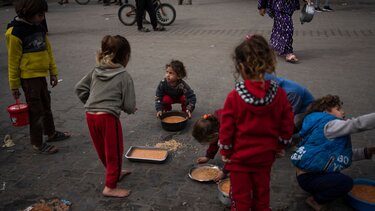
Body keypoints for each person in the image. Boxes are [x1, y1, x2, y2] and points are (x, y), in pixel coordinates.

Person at [219, 34, 295, 211]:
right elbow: (287, 124)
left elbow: (227, 129)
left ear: (240, 67)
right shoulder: (280, 94)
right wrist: (280, 146)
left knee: (240, 199)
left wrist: (225, 150)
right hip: (265, 158)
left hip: (239, 161)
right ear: (269, 63)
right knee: (262, 196)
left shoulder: (235, 97)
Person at [6, 0, 71, 155]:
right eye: (39, 15)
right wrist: (14, 85)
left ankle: (51, 133)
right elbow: (12, 62)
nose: (42, 18)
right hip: (28, 78)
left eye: (43, 14)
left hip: (41, 75)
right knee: (36, 110)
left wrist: (53, 72)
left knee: (46, 105)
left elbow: (48, 50)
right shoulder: (15, 33)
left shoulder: (39, 27)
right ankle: (37, 143)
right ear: (27, 13)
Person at [75, 35, 136, 198]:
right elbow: (129, 105)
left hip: (90, 115)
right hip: (108, 118)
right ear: (125, 56)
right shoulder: (124, 76)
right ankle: (110, 187)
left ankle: (114, 174)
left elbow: (79, 88)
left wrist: (91, 103)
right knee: (114, 151)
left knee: (103, 149)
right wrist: (130, 109)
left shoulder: (96, 70)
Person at [290, 95, 375, 210]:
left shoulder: (319, 126)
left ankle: (320, 188)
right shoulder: (330, 125)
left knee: (339, 179)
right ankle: (316, 200)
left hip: (308, 175)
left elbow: (336, 155)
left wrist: (367, 152)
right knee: (345, 183)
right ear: (326, 112)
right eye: (338, 109)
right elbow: (356, 124)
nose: (343, 112)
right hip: (311, 177)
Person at [192, 110, 225, 182]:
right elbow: (214, 142)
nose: (208, 143)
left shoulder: (227, 134)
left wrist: (225, 171)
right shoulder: (213, 123)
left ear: (216, 135)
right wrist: (208, 157)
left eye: (208, 141)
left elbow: (233, 155)